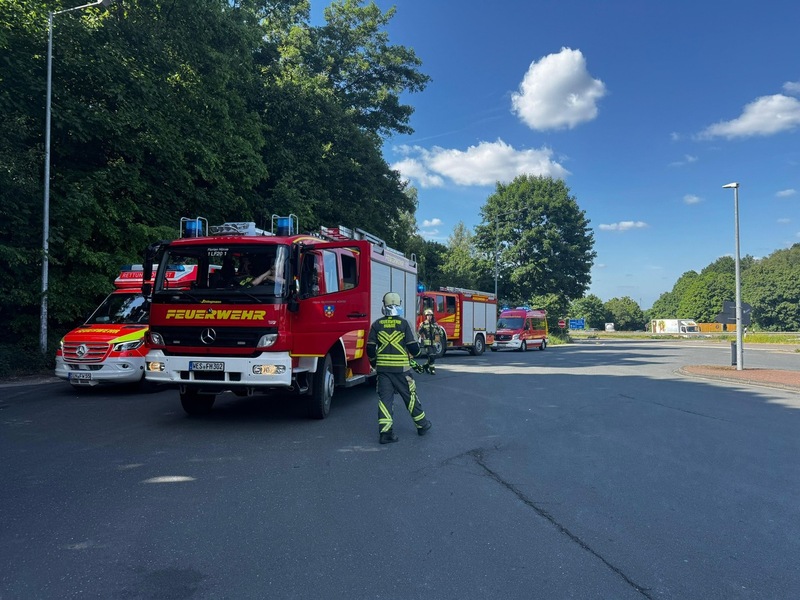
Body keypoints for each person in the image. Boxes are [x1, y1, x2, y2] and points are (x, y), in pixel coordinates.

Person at [366, 292, 432, 444]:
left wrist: (374, 363)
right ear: (399, 304)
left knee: (385, 400)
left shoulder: (376, 324)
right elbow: (413, 348)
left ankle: (385, 433)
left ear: (384, 305)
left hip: (383, 371)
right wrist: (417, 354)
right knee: (410, 397)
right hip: (402, 370)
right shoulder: (404, 324)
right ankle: (422, 425)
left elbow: (370, 349)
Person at [417, 308, 440, 374]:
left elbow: (440, 333)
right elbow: (418, 333)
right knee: (431, 356)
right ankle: (432, 369)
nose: (429, 317)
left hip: (434, 343)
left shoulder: (434, 324)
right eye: (428, 315)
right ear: (426, 316)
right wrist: (417, 341)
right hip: (427, 344)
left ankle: (425, 366)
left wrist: (438, 328)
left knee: (434, 356)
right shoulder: (423, 324)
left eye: (430, 315)